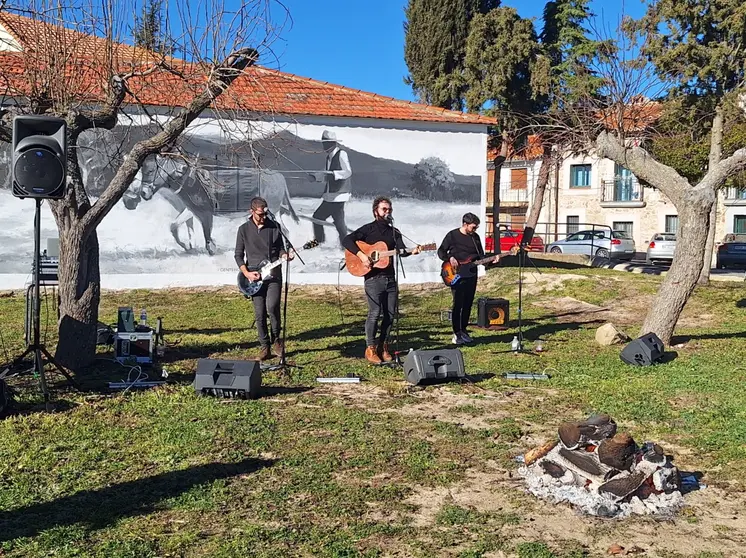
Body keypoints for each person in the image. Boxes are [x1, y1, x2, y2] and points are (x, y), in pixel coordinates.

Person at [342, 196, 422, 364]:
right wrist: (362, 255)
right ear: (375, 212)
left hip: (390, 278)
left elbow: (401, 250)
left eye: (389, 209)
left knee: (390, 315)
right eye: (384, 209)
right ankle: (370, 348)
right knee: (374, 313)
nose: (387, 212)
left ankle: (382, 346)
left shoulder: (395, 232)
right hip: (373, 277)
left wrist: (412, 251)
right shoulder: (368, 229)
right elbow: (347, 240)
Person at [235, 197, 294, 361]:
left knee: (273, 307)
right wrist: (247, 273)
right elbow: (238, 255)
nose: (263, 218)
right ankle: (264, 346)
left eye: (265, 214)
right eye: (260, 214)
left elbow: (281, 248)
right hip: (254, 278)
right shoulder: (243, 230)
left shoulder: (274, 227)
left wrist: (285, 255)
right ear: (251, 211)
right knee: (260, 313)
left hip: (274, 275)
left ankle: (277, 340)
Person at [437, 213, 499, 345]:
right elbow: (441, 251)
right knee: (458, 304)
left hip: (471, 274)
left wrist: (492, 260)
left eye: (476, 227)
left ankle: (463, 330)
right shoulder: (452, 235)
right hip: (456, 274)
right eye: (473, 227)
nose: (475, 230)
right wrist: (450, 258)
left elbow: (481, 257)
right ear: (465, 224)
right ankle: (456, 332)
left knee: (468, 304)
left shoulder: (475, 238)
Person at [308, 130, 352, 246]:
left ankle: (323, 242)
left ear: (333, 143)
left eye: (326, 144)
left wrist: (334, 174)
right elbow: (325, 173)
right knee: (324, 219)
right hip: (330, 196)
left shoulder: (342, 154)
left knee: (331, 220)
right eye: (324, 143)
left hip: (338, 195)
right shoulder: (329, 157)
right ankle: (323, 241)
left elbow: (347, 172)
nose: (324, 146)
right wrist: (315, 177)